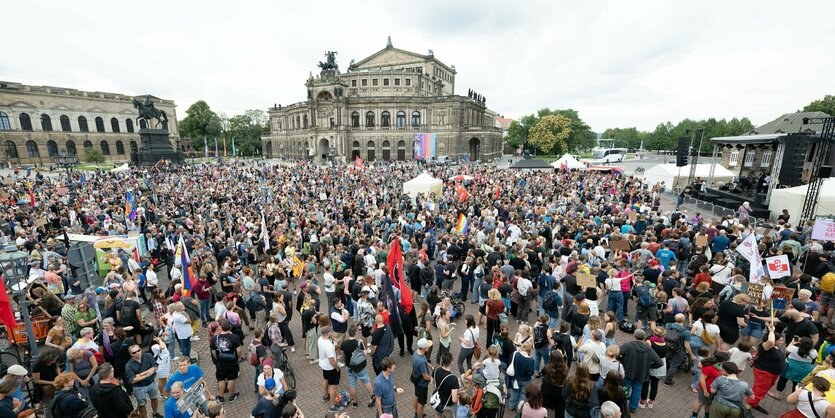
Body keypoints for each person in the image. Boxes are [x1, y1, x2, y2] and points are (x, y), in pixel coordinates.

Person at [619, 329, 663, 413]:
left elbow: (617, 353)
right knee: (637, 390)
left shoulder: (628, 345)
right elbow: (660, 362)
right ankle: (633, 407)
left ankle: (622, 405)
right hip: (642, 374)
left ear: (634, 336)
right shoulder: (649, 349)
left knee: (625, 389)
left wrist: (621, 361)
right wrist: (649, 367)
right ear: (644, 338)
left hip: (628, 372)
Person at [747, 324, 785, 414]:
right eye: (780, 340)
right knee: (759, 390)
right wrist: (771, 330)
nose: (782, 341)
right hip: (764, 372)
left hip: (772, 373)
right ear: (773, 339)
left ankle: (754, 403)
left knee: (761, 389)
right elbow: (771, 341)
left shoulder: (775, 346)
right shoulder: (766, 345)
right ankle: (747, 407)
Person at [125, 344, 162, 418]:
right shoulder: (128, 365)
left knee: (154, 398)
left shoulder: (148, 356)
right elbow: (132, 380)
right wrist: (147, 374)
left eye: (138, 350)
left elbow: (155, 365)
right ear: (131, 354)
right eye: (134, 352)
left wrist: (141, 375)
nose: (137, 353)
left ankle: (155, 413)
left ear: (141, 349)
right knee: (142, 404)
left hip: (151, 382)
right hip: (139, 387)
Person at [211, 319, 242, 402]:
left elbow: (213, 351)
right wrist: (238, 358)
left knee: (221, 379)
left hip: (221, 362)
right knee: (231, 379)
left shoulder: (215, 338)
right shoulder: (234, 337)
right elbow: (238, 350)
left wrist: (217, 359)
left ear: (221, 327)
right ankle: (231, 396)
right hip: (232, 361)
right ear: (230, 327)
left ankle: (221, 397)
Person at [664, 313, 696, 386]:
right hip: (679, 350)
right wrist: (692, 354)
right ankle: (668, 381)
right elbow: (686, 345)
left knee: (665, 359)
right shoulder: (686, 332)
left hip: (668, 346)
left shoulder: (668, 325)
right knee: (673, 366)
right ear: (684, 320)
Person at [317, 326, 343, 413]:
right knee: (333, 386)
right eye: (330, 331)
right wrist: (337, 368)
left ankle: (325, 396)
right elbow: (331, 360)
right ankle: (332, 406)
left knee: (325, 379)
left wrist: (333, 345)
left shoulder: (320, 339)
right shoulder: (328, 345)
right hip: (330, 367)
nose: (331, 332)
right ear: (328, 333)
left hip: (323, 365)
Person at [508, 341, 535, 410]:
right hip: (525, 380)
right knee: (523, 394)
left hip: (516, 378)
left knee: (514, 391)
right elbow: (531, 372)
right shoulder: (531, 360)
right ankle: (519, 408)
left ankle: (511, 405)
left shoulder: (516, 354)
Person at [431, 352, 459, 417]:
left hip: (439, 401)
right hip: (448, 405)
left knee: (438, 415)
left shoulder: (436, 369)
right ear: (451, 362)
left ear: (442, 361)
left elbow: (432, 382)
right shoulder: (453, 379)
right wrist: (459, 402)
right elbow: (454, 400)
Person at [412, 337, 434, 418]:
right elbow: (425, 376)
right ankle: (419, 415)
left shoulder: (416, 353)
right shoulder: (421, 361)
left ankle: (416, 413)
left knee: (416, 396)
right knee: (421, 403)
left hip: (416, 380)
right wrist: (432, 379)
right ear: (423, 348)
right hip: (422, 384)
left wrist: (430, 366)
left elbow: (425, 361)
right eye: (427, 346)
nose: (429, 347)